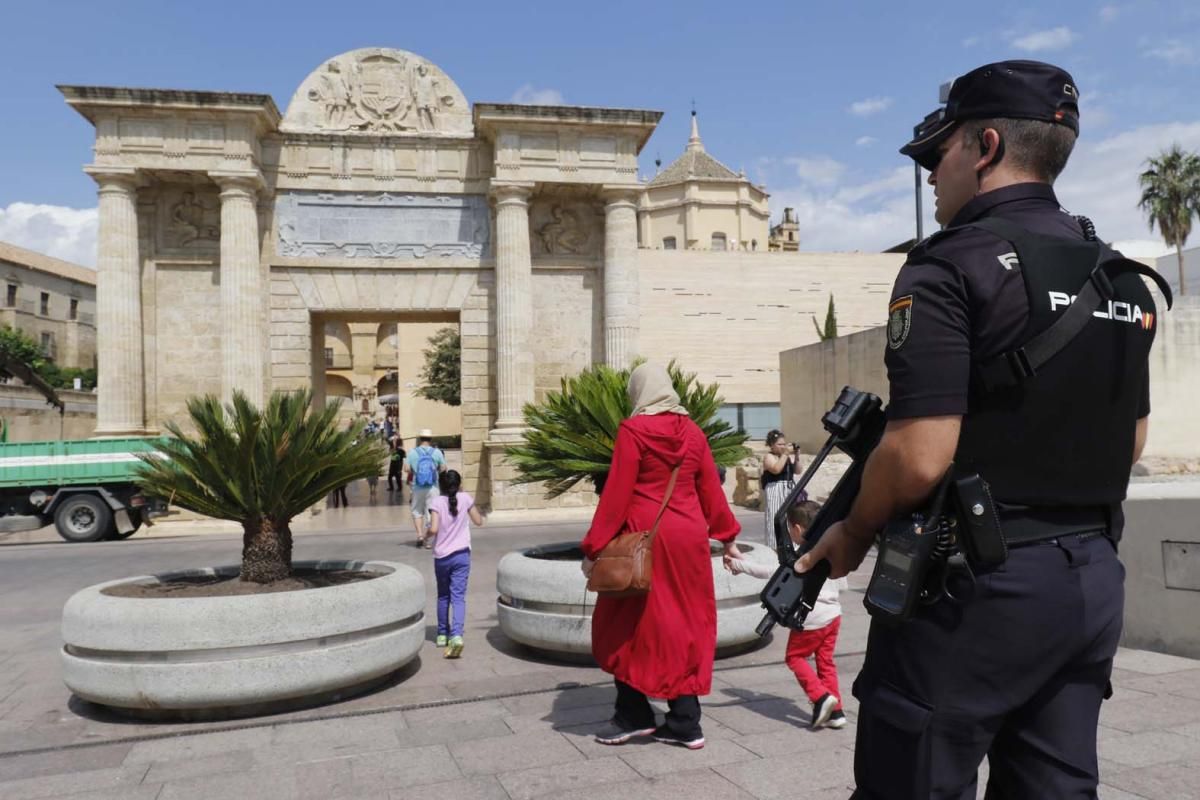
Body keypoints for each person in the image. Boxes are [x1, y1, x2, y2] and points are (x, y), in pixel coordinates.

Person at [796, 60, 1162, 799]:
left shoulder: (950, 267)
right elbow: (1132, 442)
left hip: (975, 592)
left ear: (985, 146)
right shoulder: (1121, 277)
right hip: (1089, 583)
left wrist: (856, 531)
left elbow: (920, 454)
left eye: (942, 153)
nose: (933, 174)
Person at [581, 362, 741, 751]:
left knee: (626, 622)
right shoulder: (693, 432)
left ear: (639, 392)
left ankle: (633, 714)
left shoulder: (633, 431)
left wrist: (594, 546)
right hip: (688, 539)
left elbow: (617, 495)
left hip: (644, 540)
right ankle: (686, 722)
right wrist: (727, 538)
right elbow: (711, 491)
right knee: (684, 623)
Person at [725, 500, 847, 730]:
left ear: (797, 529)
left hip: (811, 618)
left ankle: (821, 698)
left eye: (790, 528)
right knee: (825, 662)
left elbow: (769, 573)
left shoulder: (802, 557)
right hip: (833, 616)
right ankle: (837, 712)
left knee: (795, 658)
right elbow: (844, 584)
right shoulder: (830, 550)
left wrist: (738, 564)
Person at [427, 469, 484, 658]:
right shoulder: (466, 499)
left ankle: (442, 634)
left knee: (443, 596)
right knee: (458, 597)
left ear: (441, 485)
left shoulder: (436, 502)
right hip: (462, 555)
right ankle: (457, 636)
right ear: (458, 484)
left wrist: (424, 535)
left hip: (442, 557)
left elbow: (434, 529)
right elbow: (479, 521)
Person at [406, 428, 446, 547]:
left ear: (420, 439)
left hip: (417, 486)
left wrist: (415, 471)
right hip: (433, 487)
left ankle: (419, 535)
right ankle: (428, 540)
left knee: (417, 511)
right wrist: (436, 471)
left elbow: (406, 468)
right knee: (431, 511)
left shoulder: (412, 452)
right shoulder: (437, 452)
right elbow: (443, 467)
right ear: (430, 439)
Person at [760, 429, 800, 547]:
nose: (783, 446)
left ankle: (792, 543)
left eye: (784, 444)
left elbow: (798, 470)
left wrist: (797, 456)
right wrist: (786, 454)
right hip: (775, 489)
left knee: (791, 517)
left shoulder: (785, 457)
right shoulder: (769, 457)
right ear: (772, 445)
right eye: (779, 444)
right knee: (775, 516)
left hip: (788, 489)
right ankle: (774, 545)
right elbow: (776, 469)